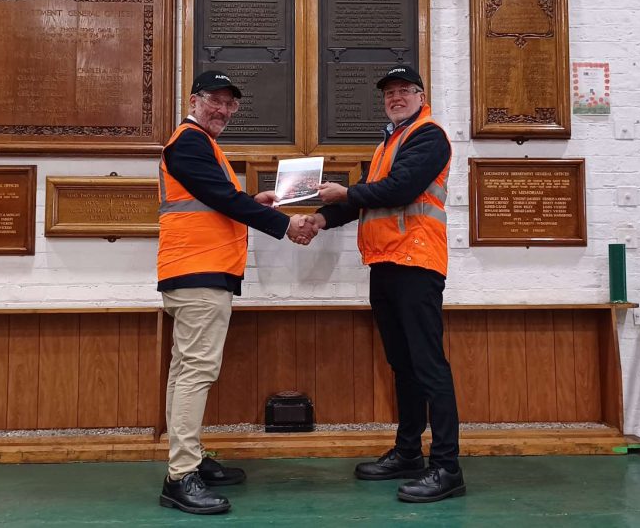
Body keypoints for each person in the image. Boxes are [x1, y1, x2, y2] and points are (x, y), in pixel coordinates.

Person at [157, 70, 317, 515]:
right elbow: (222, 200)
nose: (223, 110)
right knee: (196, 372)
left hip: (199, 271)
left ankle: (189, 459)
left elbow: (218, 199)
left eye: (231, 104)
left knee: (184, 371)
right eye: (216, 101)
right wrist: (285, 224)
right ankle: (181, 476)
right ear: (194, 100)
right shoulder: (189, 142)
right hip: (197, 272)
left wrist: (255, 200)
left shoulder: (201, 145)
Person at [312, 65, 465, 503]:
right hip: (386, 262)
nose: (395, 97)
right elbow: (366, 195)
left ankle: (447, 467)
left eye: (403, 90)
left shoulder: (429, 135)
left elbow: (400, 189)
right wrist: (320, 219)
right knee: (403, 364)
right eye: (389, 93)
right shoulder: (388, 143)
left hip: (416, 262)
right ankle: (408, 453)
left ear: (421, 95)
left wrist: (342, 196)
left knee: (429, 366)